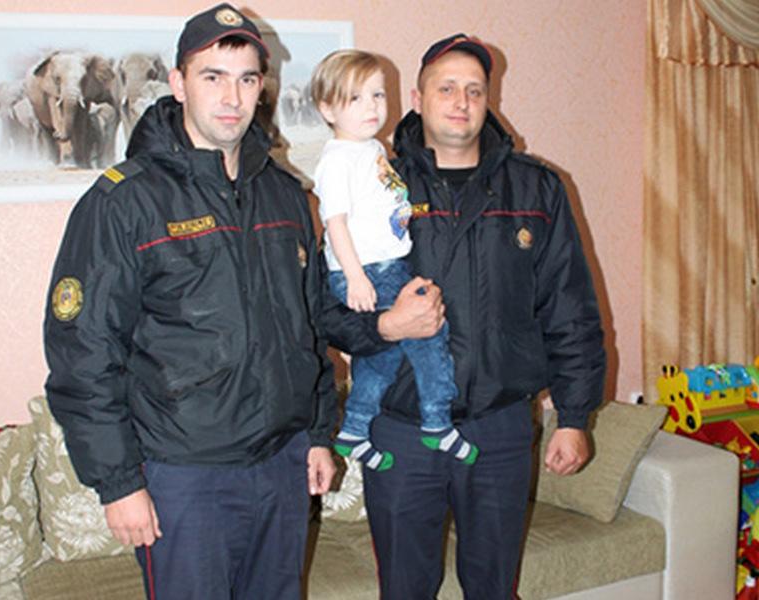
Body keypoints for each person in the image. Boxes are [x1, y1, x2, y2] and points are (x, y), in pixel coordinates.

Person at [43, 4, 337, 599]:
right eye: (213, 76)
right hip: (184, 477)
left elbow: (308, 327)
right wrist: (119, 483)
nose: (232, 96)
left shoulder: (285, 196)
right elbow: (84, 353)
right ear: (178, 83)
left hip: (282, 465)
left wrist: (317, 433)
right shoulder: (124, 202)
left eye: (247, 79)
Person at [319, 34, 606, 599]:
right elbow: (327, 311)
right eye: (446, 88)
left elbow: (570, 308)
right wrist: (384, 327)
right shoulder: (376, 182)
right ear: (418, 99)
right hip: (400, 433)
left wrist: (574, 416)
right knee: (405, 588)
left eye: (475, 90)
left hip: (499, 430)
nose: (462, 101)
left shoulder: (535, 188)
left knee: (494, 588)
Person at [310, 49, 478, 472]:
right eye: (355, 98)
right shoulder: (337, 159)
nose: (371, 107)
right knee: (430, 337)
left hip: (388, 265)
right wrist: (355, 278)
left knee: (381, 357)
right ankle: (437, 422)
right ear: (327, 108)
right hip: (370, 270)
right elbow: (334, 223)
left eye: (377, 95)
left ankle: (353, 431)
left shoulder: (370, 149)